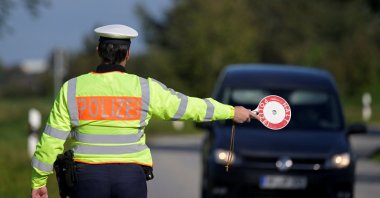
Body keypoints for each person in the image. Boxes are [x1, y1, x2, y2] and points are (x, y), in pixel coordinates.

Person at [31, 24, 258, 198]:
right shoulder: (145, 88)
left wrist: (39, 181)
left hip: (87, 179)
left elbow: (52, 138)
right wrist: (230, 112)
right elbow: (189, 107)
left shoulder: (72, 88)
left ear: (99, 50)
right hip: (130, 179)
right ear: (127, 55)